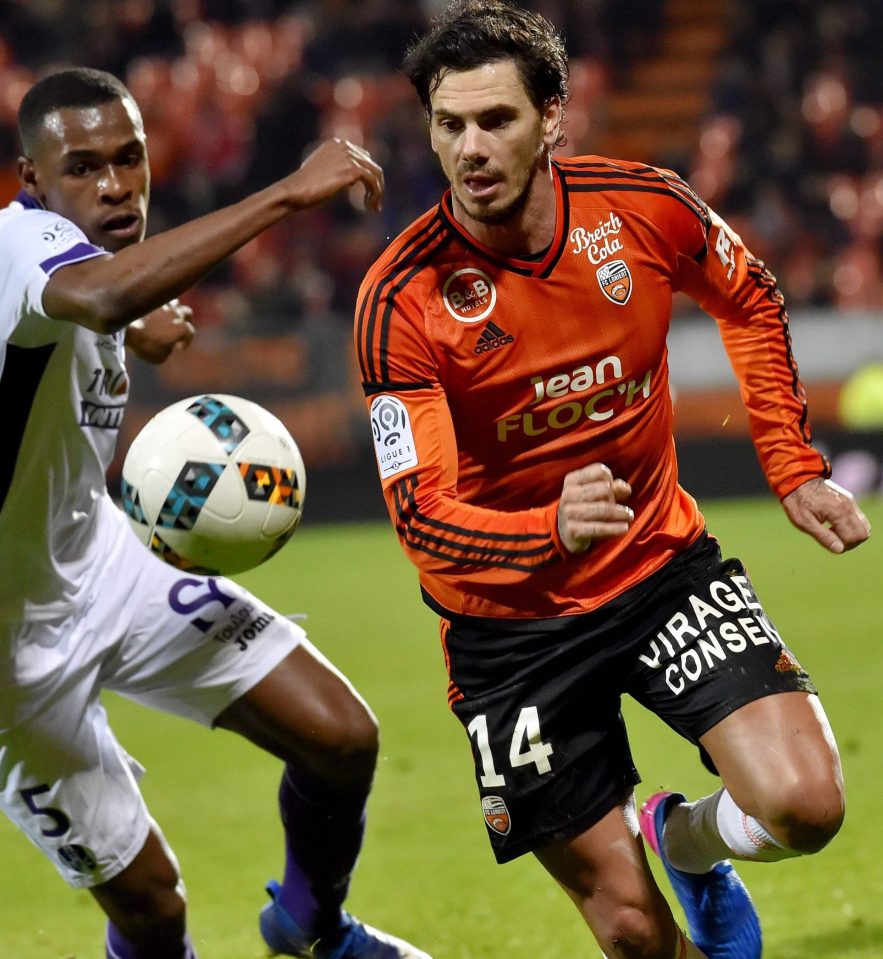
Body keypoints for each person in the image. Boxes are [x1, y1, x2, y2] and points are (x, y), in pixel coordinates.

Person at [354, 4, 871, 958]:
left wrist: (792, 465)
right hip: (508, 633)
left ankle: (680, 836)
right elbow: (421, 516)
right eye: (447, 123)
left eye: (495, 120)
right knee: (635, 937)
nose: (469, 147)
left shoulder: (641, 205)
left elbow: (749, 296)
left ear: (553, 115)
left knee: (805, 807)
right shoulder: (402, 299)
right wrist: (544, 529)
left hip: (658, 566)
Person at [0, 67, 431, 959]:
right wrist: (285, 195)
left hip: (103, 563)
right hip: (11, 660)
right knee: (155, 909)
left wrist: (130, 327)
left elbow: (99, 303)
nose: (116, 185)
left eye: (130, 158)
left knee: (340, 736)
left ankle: (313, 929)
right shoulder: (15, 248)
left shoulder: (80, 272)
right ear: (32, 180)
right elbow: (98, 293)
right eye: (82, 168)